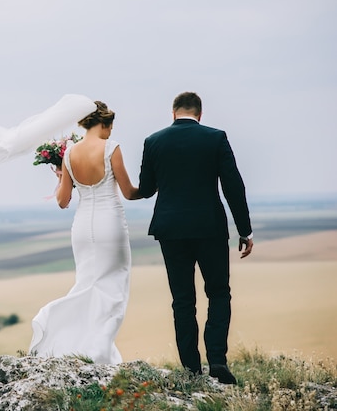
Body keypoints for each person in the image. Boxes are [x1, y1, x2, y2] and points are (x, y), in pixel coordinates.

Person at [138, 92, 253, 384]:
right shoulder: (215, 138)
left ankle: (191, 368)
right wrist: (244, 230)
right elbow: (233, 186)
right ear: (200, 114)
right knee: (218, 292)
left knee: (182, 300)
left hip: (171, 230)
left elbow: (147, 188)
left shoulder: (153, 142)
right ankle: (217, 360)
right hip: (209, 228)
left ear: (173, 113)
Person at [29, 101, 141, 364]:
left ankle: (72, 342)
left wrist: (60, 177)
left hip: (81, 227)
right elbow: (129, 192)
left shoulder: (69, 154)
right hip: (109, 224)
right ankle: (98, 351)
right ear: (104, 123)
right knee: (113, 287)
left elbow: (63, 201)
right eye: (110, 127)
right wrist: (154, 186)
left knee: (87, 283)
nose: (111, 132)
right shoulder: (111, 148)